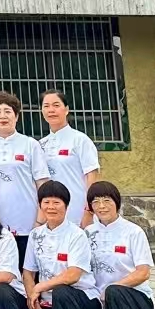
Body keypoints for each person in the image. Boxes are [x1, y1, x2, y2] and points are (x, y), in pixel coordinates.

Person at [23, 181, 101, 309]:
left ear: (66, 205)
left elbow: (73, 275)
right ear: (40, 205)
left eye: (56, 202)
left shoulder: (77, 234)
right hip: (50, 303)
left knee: (62, 291)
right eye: (46, 202)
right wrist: (35, 306)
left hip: (82, 299)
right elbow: (27, 272)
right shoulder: (35, 235)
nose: (51, 207)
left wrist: (41, 286)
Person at [84, 181, 155, 309]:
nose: (101, 206)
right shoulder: (88, 233)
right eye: (96, 202)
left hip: (135, 298)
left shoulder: (133, 232)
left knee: (115, 291)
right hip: (102, 303)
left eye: (107, 200)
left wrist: (111, 288)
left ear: (117, 202)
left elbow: (143, 273)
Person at [0, 91, 50, 261]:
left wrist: (40, 219)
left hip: (27, 221)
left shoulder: (30, 144)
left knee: (28, 268)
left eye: (8, 111)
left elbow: (43, 183)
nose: (3, 116)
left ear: (17, 116)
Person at [40, 89, 101, 228]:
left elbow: (92, 177)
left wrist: (88, 211)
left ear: (66, 109)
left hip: (78, 211)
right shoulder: (40, 145)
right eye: (46, 106)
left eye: (56, 105)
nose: (51, 110)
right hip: (51, 213)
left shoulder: (80, 140)